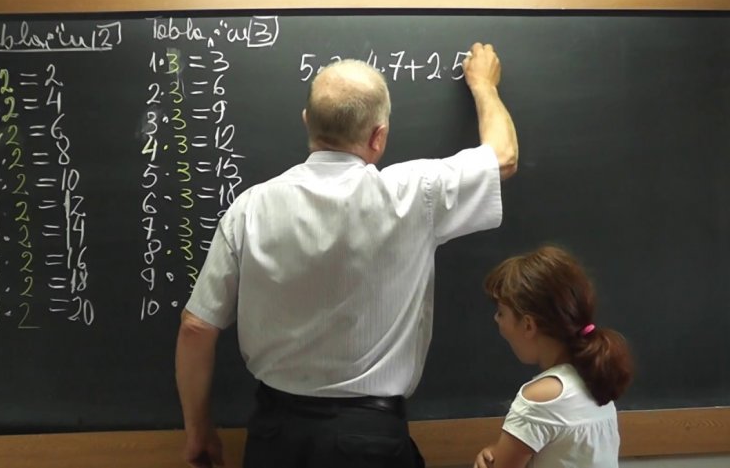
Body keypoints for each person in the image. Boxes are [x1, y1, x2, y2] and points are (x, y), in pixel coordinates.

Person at [175, 41, 519, 468]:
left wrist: (198, 431)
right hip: (370, 440)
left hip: (274, 437)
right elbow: (503, 158)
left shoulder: (250, 207)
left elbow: (196, 327)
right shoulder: (414, 193)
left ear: (307, 121)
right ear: (379, 136)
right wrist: (484, 85)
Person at [474, 246, 634, 468]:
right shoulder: (594, 378)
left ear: (528, 325)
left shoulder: (540, 397)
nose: (497, 320)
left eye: (501, 313)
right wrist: (500, 451)